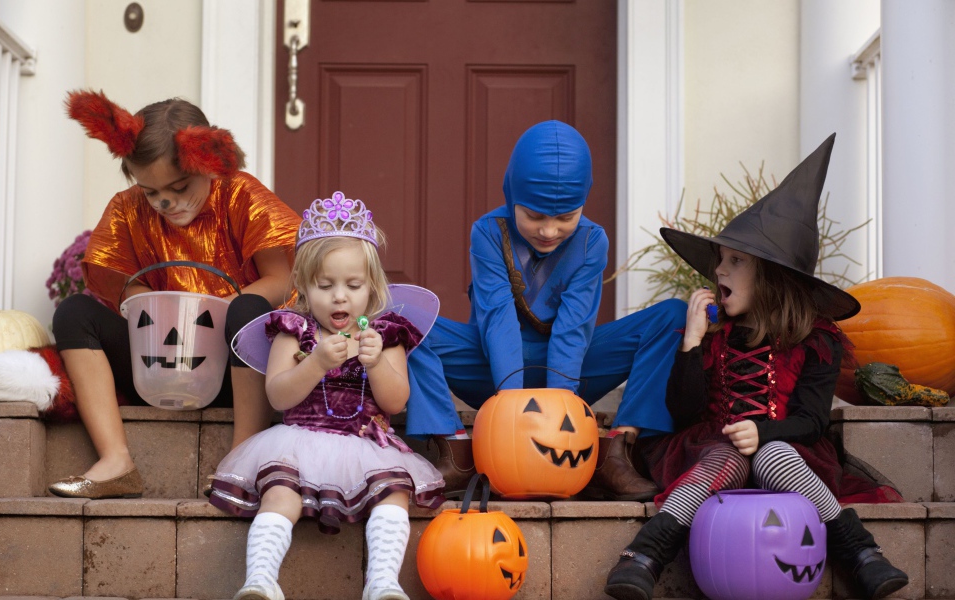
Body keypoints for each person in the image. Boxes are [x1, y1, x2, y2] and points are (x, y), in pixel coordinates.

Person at [604, 134, 908, 600]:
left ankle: (862, 553)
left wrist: (764, 433)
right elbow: (684, 413)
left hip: (788, 450)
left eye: (736, 261)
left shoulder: (816, 341)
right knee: (727, 455)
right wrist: (690, 345)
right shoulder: (714, 335)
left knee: (772, 455)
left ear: (772, 276)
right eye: (720, 261)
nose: (719, 272)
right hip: (713, 447)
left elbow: (810, 421)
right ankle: (643, 556)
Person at [405, 120, 686, 499]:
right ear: (512, 196)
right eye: (535, 216)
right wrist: (510, 412)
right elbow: (498, 318)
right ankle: (456, 452)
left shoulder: (592, 241)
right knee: (405, 321)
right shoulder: (488, 233)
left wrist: (558, 416)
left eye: (565, 218)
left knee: (670, 317)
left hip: (573, 372)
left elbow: (574, 329)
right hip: (491, 369)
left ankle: (615, 453)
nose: (549, 231)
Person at [47, 89, 300, 499]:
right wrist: (155, 306)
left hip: (235, 369)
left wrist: (218, 312)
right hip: (161, 363)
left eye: (180, 187)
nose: (166, 201)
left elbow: (282, 278)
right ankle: (116, 461)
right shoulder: (128, 209)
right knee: (74, 313)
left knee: (249, 309)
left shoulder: (240, 195)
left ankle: (243, 456)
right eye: (151, 192)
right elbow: (127, 291)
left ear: (211, 163)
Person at [208, 193, 445, 600]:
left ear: (371, 289)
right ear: (302, 285)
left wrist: (377, 364)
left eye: (353, 286)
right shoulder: (295, 331)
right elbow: (279, 396)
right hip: (297, 443)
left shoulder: (383, 336)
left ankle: (383, 583)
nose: (340, 296)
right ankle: (260, 581)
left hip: (366, 445)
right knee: (279, 494)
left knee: (393, 494)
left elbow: (396, 402)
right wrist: (313, 363)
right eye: (325, 285)